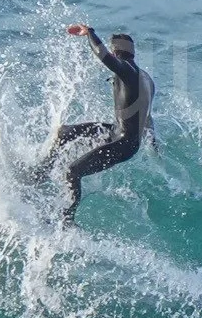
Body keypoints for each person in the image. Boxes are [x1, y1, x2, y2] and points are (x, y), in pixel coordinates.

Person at [37, 25, 156, 223]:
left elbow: (103, 55)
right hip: (116, 132)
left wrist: (89, 33)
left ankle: (66, 220)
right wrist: (153, 145)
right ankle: (41, 173)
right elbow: (148, 117)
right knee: (64, 132)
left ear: (116, 52)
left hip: (123, 144)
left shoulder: (126, 70)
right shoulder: (147, 79)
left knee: (72, 172)